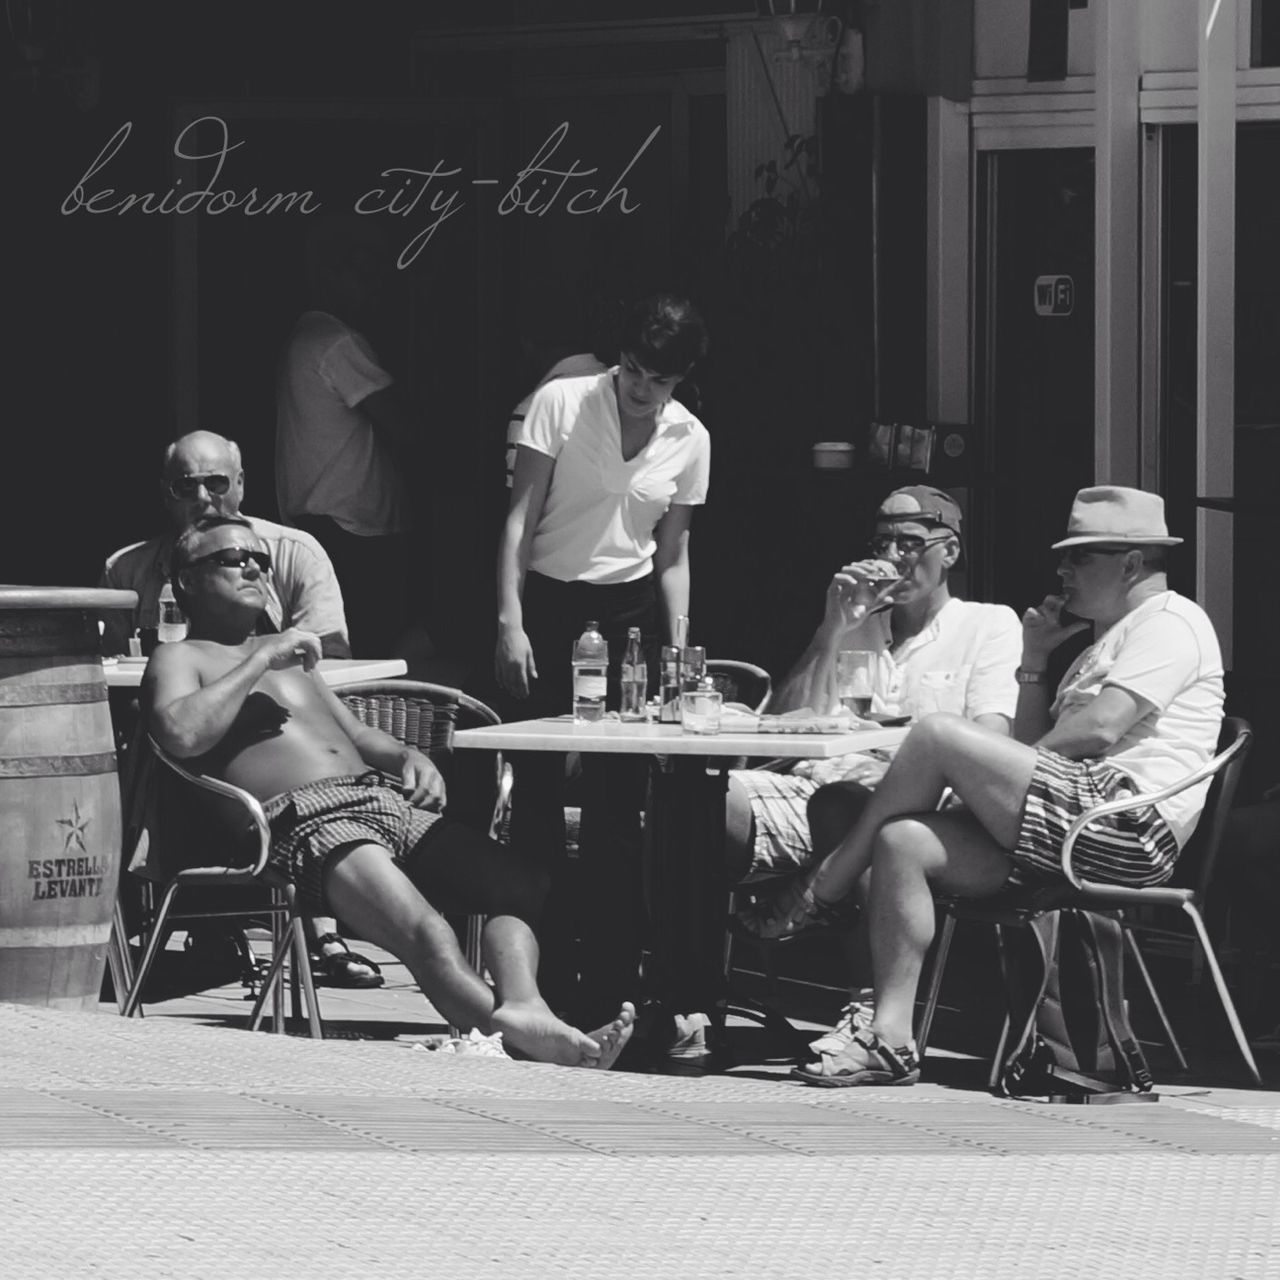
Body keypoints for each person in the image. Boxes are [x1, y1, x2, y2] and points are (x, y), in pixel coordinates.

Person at [746, 486, 1223, 1088]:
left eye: (1078, 558)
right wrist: (1034, 662)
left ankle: (826, 882)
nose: (1061, 570)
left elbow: (1100, 728)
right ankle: (890, 1038)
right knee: (904, 840)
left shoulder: (1171, 620)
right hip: (1063, 821)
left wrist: (973, 775)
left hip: (1119, 826)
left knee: (938, 734)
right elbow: (1033, 745)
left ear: (1130, 562)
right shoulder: (1101, 642)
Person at [144, 514, 635, 1068]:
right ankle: (537, 1049)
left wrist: (407, 755)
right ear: (187, 579)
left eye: (261, 559)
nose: (255, 567)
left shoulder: (293, 660)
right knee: (426, 930)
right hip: (303, 821)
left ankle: (524, 1007)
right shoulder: (179, 657)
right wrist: (259, 659)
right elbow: (180, 734)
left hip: (379, 797)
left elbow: (354, 734)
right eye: (235, 558)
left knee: (520, 881)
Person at [727, 485, 1020, 1051]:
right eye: (882, 541)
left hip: (911, 804)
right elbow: (787, 724)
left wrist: (898, 761)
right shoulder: (858, 622)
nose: (893, 556)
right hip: (810, 785)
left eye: (910, 542)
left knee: (861, 813)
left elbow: (992, 739)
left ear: (950, 551)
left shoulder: (987, 624)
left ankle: (866, 1008)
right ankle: (676, 996)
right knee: (698, 803)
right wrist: (831, 626)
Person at [495, 292, 710, 1031]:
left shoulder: (690, 437)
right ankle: (541, 978)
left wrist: (678, 644)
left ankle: (612, 979)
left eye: (659, 378)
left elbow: (674, 552)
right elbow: (520, 516)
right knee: (538, 799)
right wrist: (509, 619)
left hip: (629, 615)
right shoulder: (562, 400)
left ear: (682, 379)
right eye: (632, 370)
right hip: (550, 600)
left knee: (621, 807)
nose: (641, 389)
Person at [102, 430, 377, 989]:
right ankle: (140, 923)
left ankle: (318, 930)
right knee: (142, 761)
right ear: (165, 492)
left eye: (217, 482)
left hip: (273, 740)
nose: (203, 496)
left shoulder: (289, 552)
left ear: (242, 485)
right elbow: (106, 663)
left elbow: (329, 656)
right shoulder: (128, 568)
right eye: (186, 485)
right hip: (172, 743)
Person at [275, 217, 419, 658]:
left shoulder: (305, 335)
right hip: (350, 527)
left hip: (326, 520)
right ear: (328, 276)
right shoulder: (335, 340)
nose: (370, 287)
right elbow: (402, 421)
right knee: (367, 650)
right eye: (360, 273)